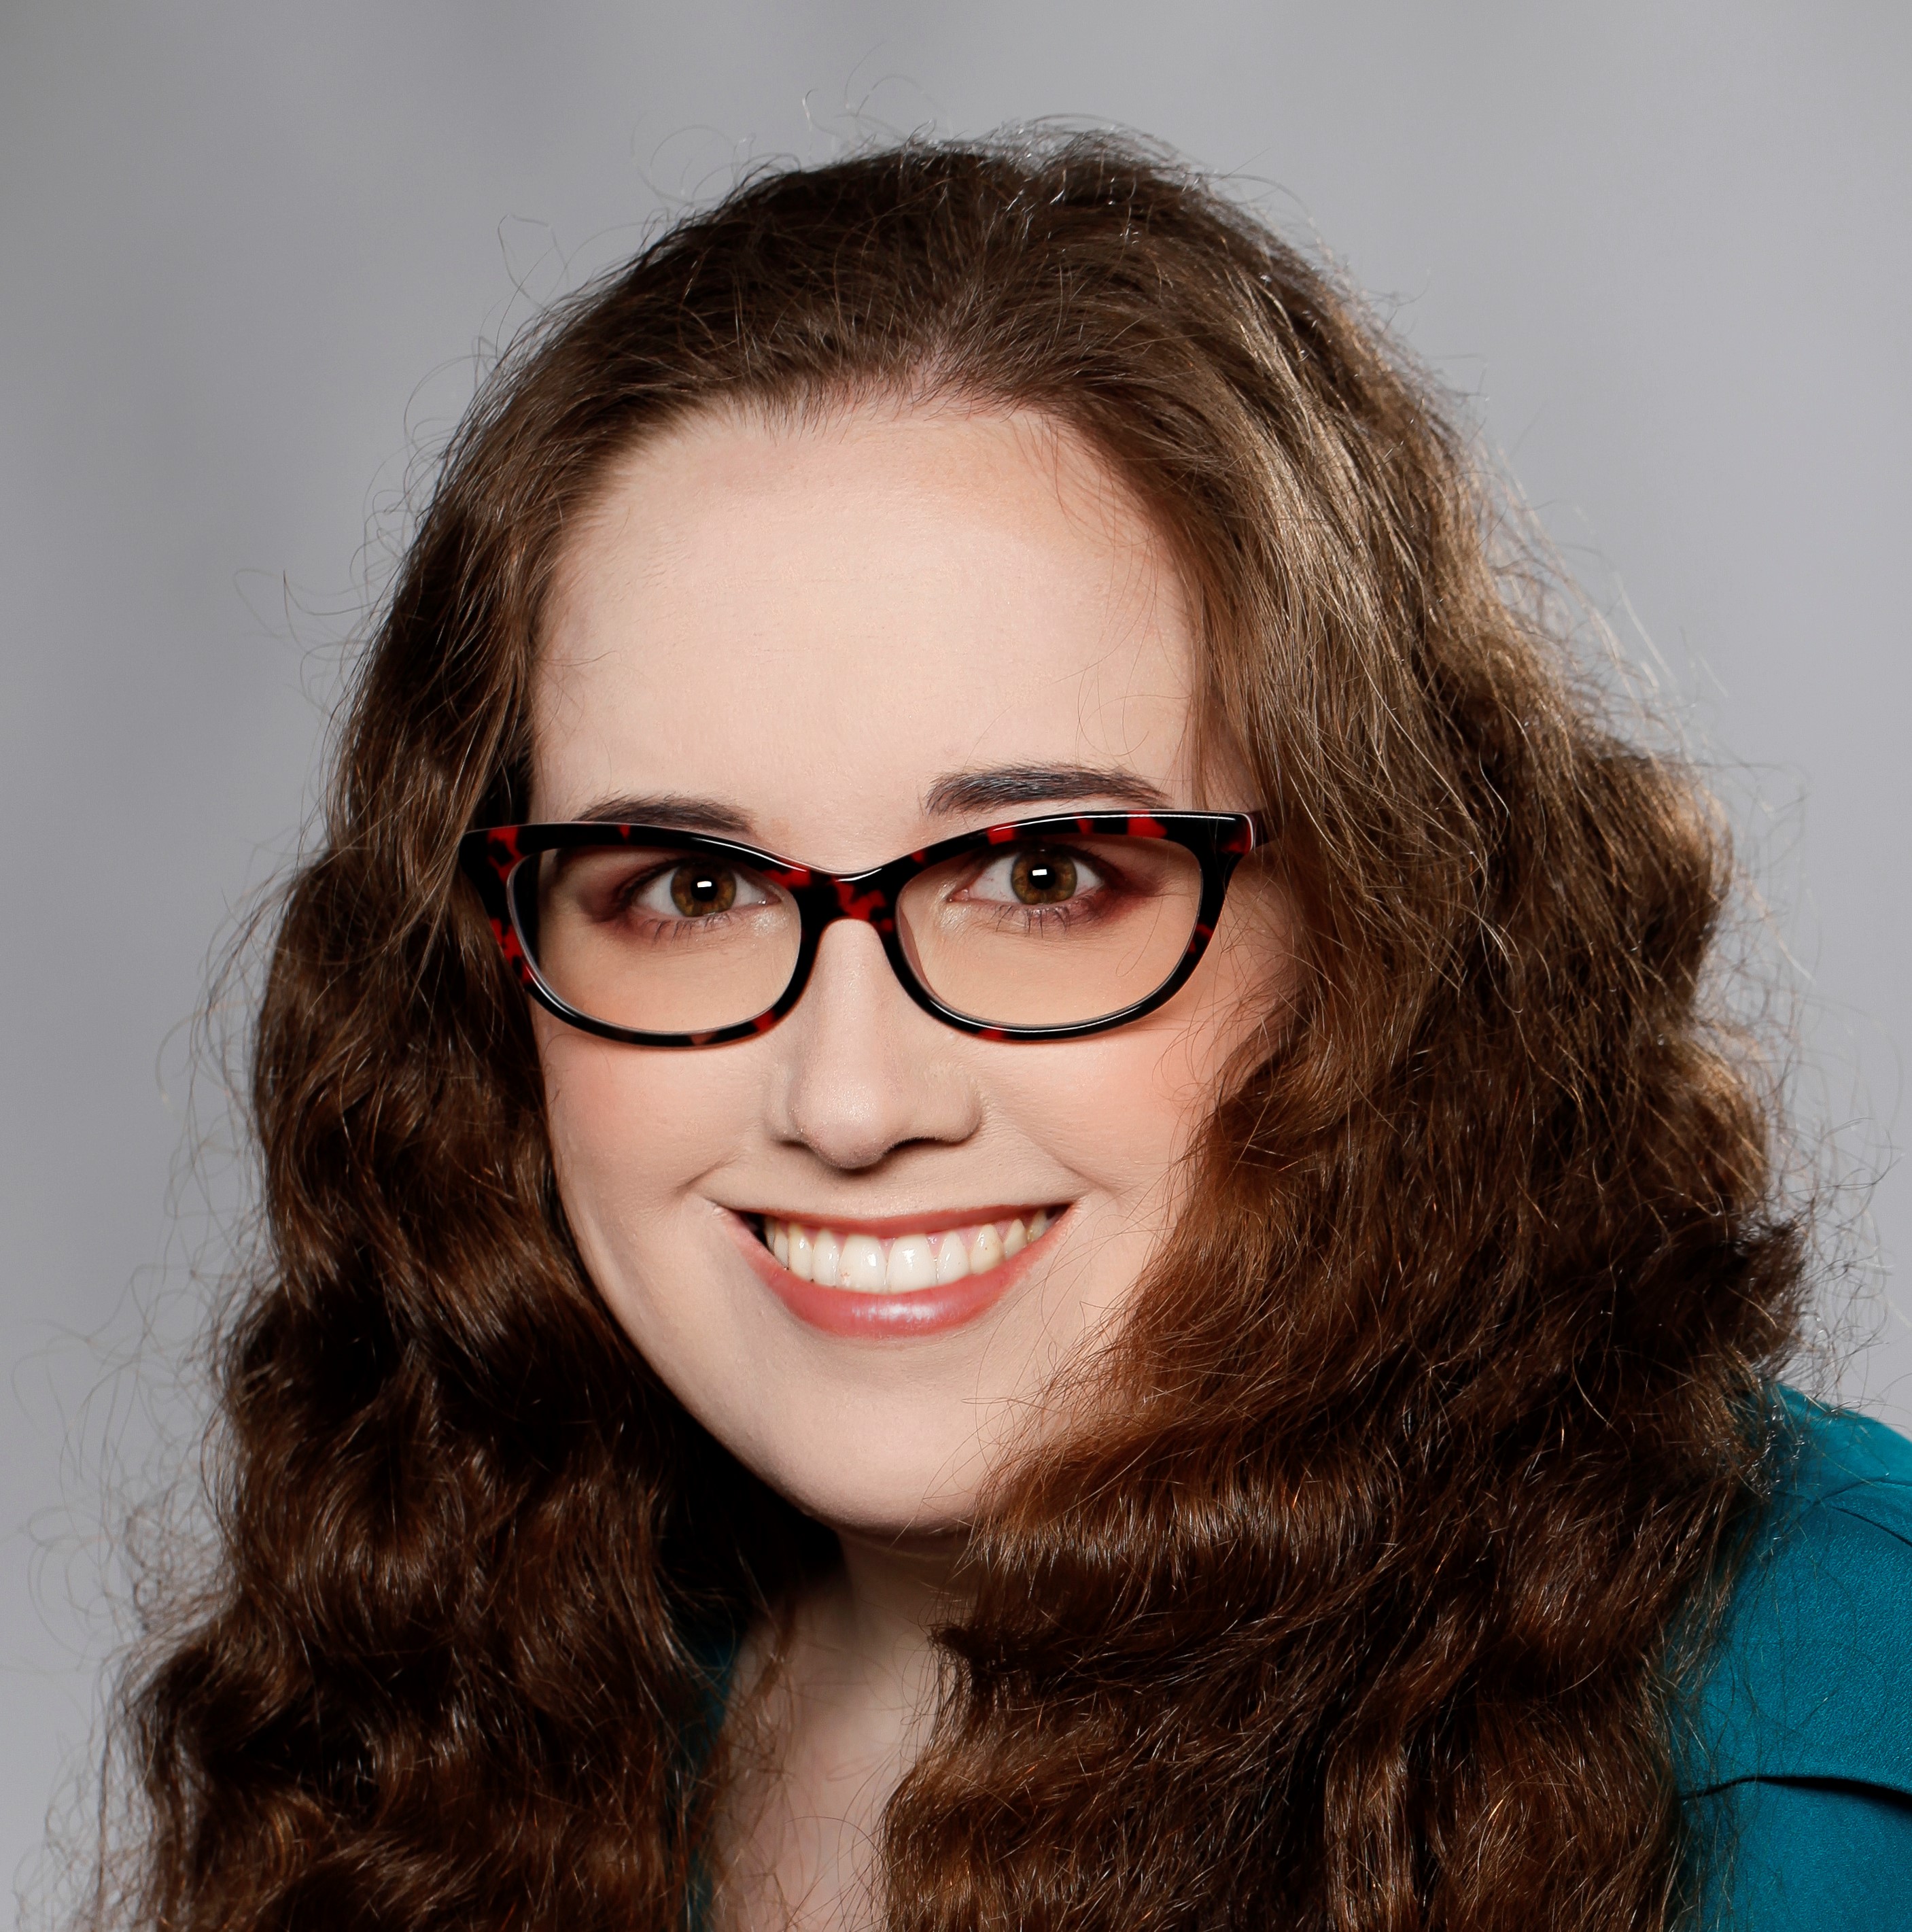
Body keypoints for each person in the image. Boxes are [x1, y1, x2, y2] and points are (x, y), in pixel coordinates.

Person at [105, 135, 1911, 1931]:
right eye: (688, 885)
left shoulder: (1836, 1734)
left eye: (1048, 873)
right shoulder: (473, 1714)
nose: (850, 1094)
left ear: (1385, 924)